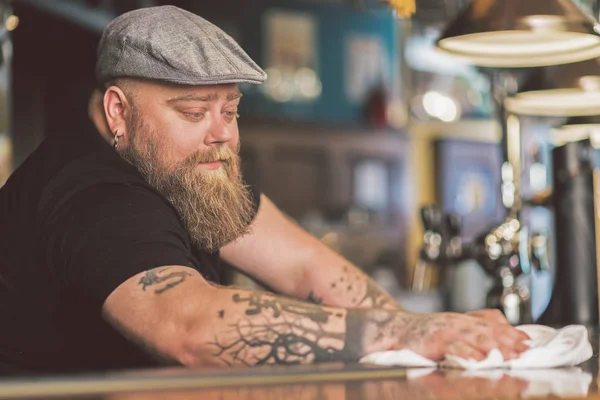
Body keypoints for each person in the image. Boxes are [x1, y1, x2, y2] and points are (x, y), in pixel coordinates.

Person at [0, 5, 528, 375]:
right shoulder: (90, 193)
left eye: (230, 111)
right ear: (119, 110)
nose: (222, 133)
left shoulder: (183, 167)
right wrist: (401, 335)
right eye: (193, 112)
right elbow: (188, 326)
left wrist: (431, 336)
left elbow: (307, 267)